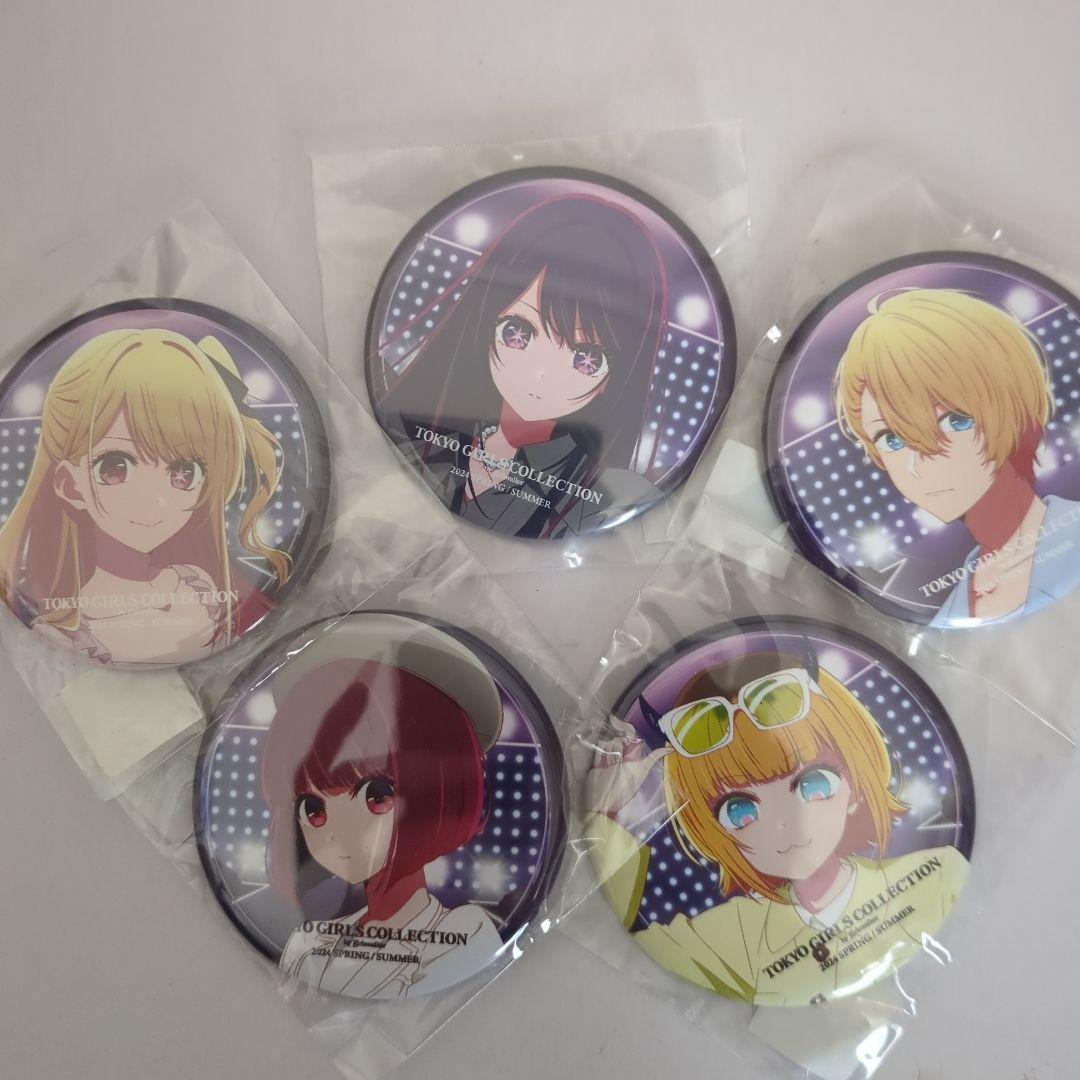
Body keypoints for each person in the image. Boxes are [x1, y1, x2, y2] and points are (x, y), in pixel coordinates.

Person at [587, 648, 968, 1005]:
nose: (785, 822)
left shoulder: (934, 878)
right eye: (739, 811)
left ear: (855, 787)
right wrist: (607, 811)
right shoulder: (725, 937)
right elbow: (642, 922)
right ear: (714, 830)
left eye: (814, 785)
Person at [375, 194, 668, 538]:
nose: (541, 373)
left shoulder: (610, 495)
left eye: (585, 359)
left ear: (617, 377)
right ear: (484, 321)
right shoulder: (413, 428)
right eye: (519, 332)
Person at [0, 328, 290, 664]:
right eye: (115, 467)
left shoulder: (198, 584)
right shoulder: (68, 624)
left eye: (184, 471)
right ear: (69, 484)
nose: (155, 500)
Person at [261, 617, 504, 999]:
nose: (338, 834)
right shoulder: (310, 944)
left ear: (436, 790)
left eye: (376, 796)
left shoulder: (464, 933)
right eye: (314, 809)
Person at [833, 288, 1080, 626]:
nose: (918, 465)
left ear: (1016, 406)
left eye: (955, 420)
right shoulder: (957, 594)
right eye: (890, 439)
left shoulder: (1071, 536)